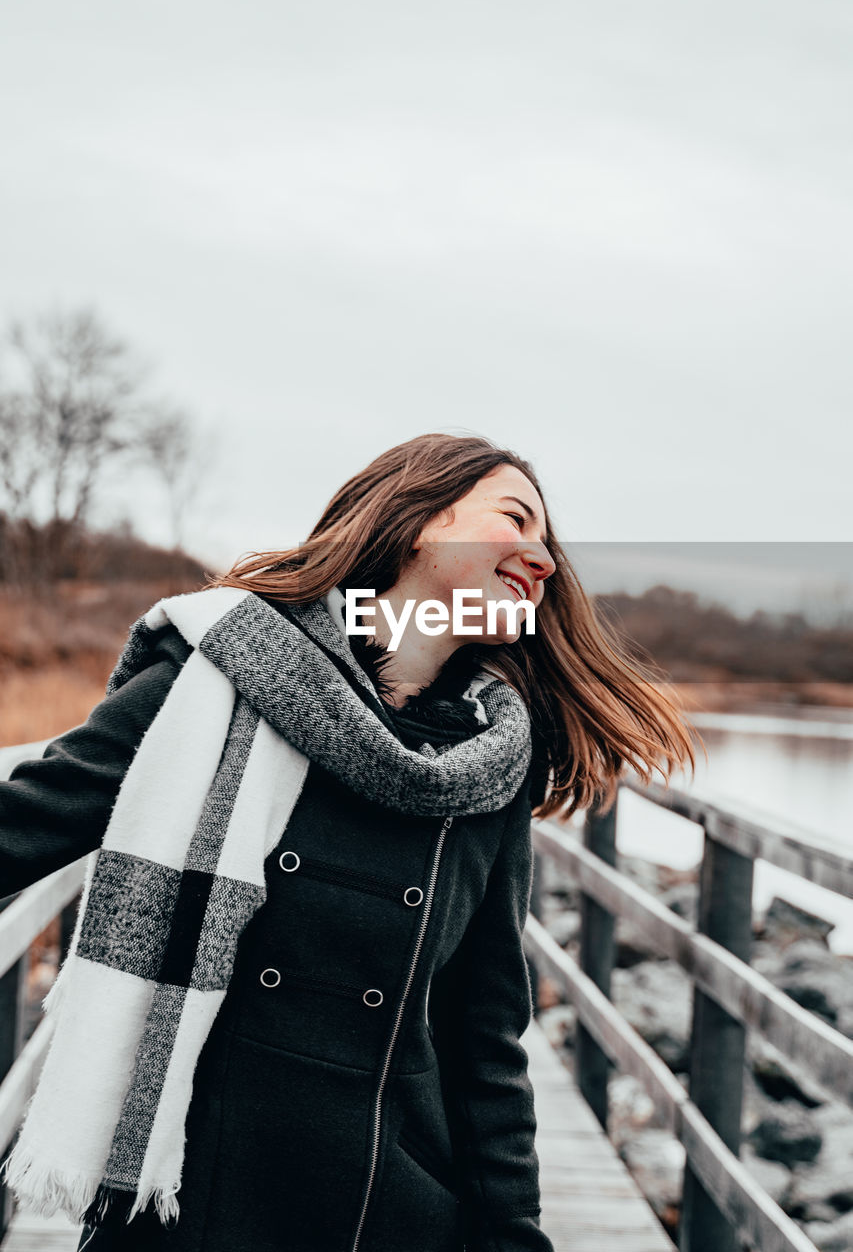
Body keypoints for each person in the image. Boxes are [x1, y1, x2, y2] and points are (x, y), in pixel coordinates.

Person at [0, 433, 695, 1252]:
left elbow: (485, 1035)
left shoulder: (490, 767)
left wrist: (514, 1235)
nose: (542, 559)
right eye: (516, 520)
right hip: (195, 1200)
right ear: (416, 523)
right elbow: (25, 823)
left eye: (548, 543)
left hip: (393, 1207)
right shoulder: (216, 686)